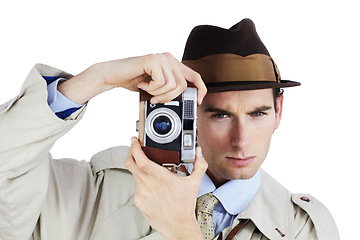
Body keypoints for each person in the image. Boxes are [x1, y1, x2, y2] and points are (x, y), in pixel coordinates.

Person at [0, 18, 339, 240]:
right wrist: (94, 79)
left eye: (257, 113)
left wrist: (181, 229)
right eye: (219, 115)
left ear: (279, 111)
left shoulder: (303, 229)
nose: (241, 140)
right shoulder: (94, 192)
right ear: (187, 114)